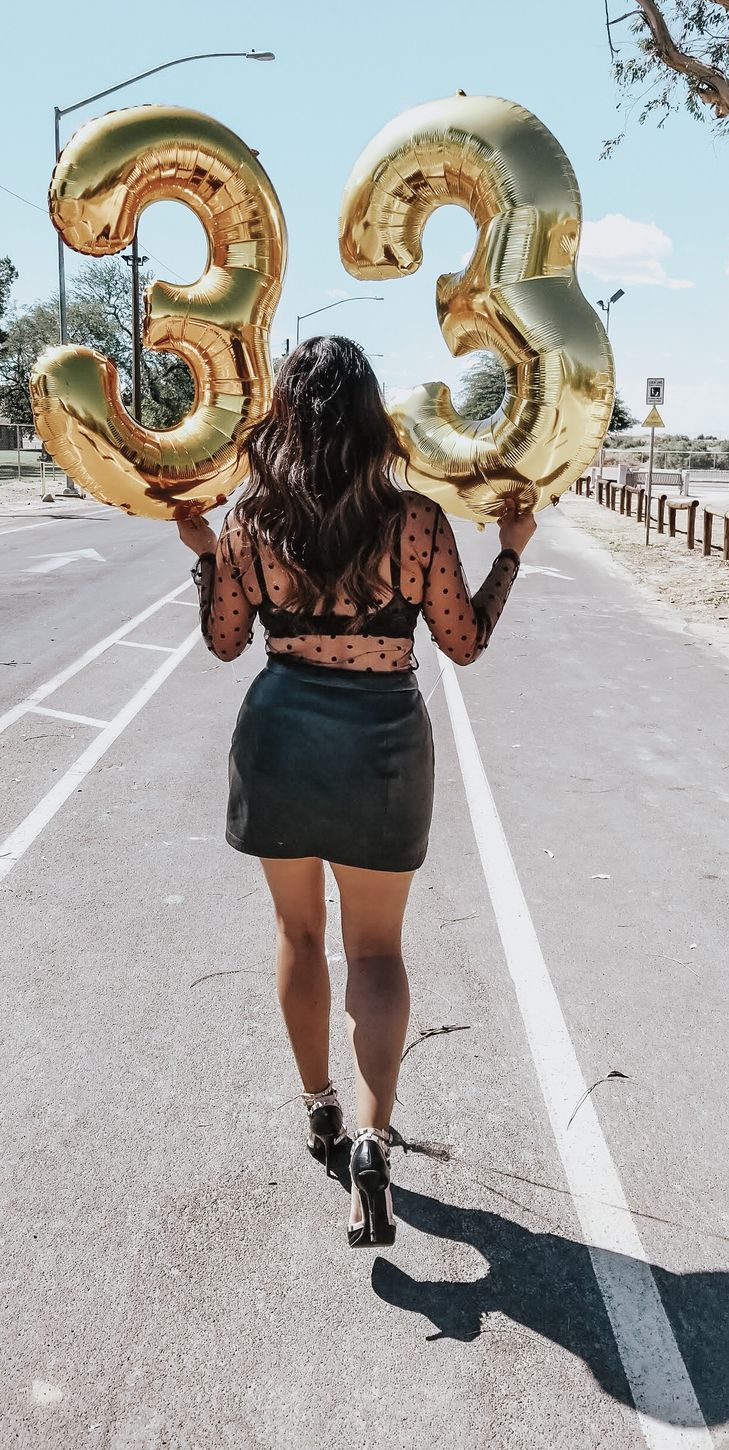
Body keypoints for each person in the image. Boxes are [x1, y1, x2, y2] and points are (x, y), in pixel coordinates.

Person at [177, 335, 536, 1249]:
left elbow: (225, 644)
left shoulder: (252, 522)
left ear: (285, 420)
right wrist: (512, 554)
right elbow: (462, 642)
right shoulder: (415, 521)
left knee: (299, 935)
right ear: (374, 416)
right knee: (377, 953)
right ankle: (376, 1138)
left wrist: (205, 556)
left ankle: (323, 1110)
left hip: (282, 735)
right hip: (381, 741)